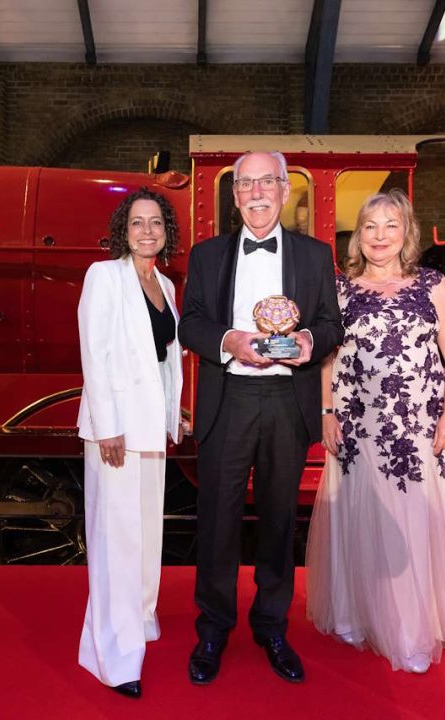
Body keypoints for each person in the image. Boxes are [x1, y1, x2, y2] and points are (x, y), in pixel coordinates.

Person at [305, 189, 445, 696]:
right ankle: (358, 614)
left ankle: (410, 631)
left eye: (390, 225)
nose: (380, 236)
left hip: (416, 428)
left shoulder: (433, 284)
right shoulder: (339, 289)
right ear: (358, 235)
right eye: (370, 226)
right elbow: (327, 360)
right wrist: (326, 413)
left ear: (407, 233)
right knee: (360, 516)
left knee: (412, 520)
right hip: (357, 428)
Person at [178, 151, 343, 685]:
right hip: (228, 402)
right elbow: (191, 325)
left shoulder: (316, 256)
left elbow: (330, 324)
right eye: (244, 184)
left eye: (266, 182)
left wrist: (307, 342)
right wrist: (229, 340)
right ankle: (213, 627)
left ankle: (272, 624)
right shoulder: (206, 256)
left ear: (284, 188)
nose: (256, 194)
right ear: (234, 195)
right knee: (218, 521)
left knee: (277, 521)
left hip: (285, 403)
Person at [76, 188, 185, 699]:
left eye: (156, 223)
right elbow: (94, 354)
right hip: (115, 431)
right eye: (138, 222)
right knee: (116, 541)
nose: (147, 231)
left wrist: (172, 412)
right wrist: (108, 425)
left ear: (167, 232)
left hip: (151, 430)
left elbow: (164, 359)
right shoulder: (104, 277)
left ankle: (140, 617)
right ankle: (114, 656)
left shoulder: (163, 281)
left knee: (145, 536)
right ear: (123, 229)